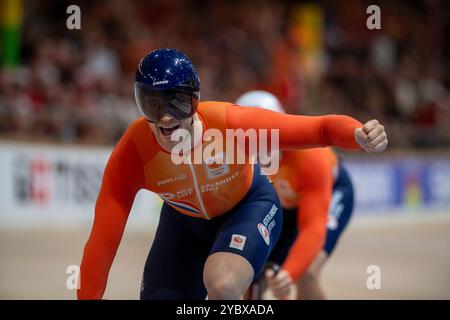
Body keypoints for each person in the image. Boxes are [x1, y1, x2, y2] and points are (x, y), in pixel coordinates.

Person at [77, 48, 388, 300]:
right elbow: (102, 243)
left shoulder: (231, 123)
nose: (167, 116)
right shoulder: (131, 152)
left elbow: (319, 128)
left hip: (248, 207)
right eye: (152, 105)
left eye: (177, 103)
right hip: (183, 223)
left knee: (223, 285)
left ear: (195, 102)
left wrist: (358, 134)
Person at [236, 90, 356, 300]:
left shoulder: (311, 156)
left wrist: (288, 274)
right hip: (286, 205)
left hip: (331, 193)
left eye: (266, 134)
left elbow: (313, 228)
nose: (258, 146)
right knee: (255, 275)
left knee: (307, 273)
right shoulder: (237, 159)